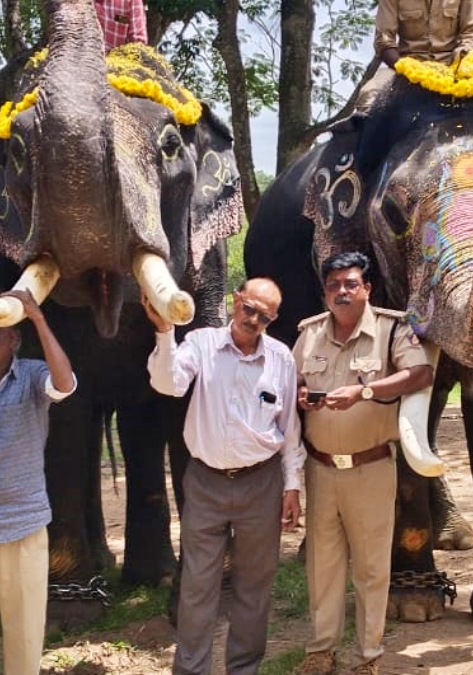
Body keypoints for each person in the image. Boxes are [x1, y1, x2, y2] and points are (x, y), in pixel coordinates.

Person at [145, 277, 305, 675]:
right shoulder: (201, 343)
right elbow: (168, 384)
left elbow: (289, 429)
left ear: (273, 319)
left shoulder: (281, 358)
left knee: (254, 585)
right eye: (248, 308)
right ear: (236, 300)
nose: (252, 320)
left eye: (263, 316)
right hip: (205, 482)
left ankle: (244, 668)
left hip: (261, 482)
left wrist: (292, 485)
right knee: (198, 585)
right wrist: (165, 333)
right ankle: (191, 669)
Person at [292, 252, 433, 675]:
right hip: (319, 469)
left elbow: (421, 374)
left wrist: (366, 392)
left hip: (371, 467)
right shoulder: (311, 333)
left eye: (350, 283)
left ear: (367, 288)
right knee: (323, 565)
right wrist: (300, 394)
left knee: (372, 568)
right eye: (334, 285)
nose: (341, 291)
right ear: (325, 291)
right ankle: (320, 652)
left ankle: (366, 657)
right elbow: (292, 379)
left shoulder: (391, 330)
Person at [0, 291, 76, 675]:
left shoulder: (34, 376)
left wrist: (38, 319)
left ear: (12, 340)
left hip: (22, 526)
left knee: (23, 634)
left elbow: (66, 383)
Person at [355, 0, 473, 112]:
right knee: (369, 94)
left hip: (452, 65)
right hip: (406, 66)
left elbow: (470, 34)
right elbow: (383, 41)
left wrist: (465, 61)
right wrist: (406, 68)